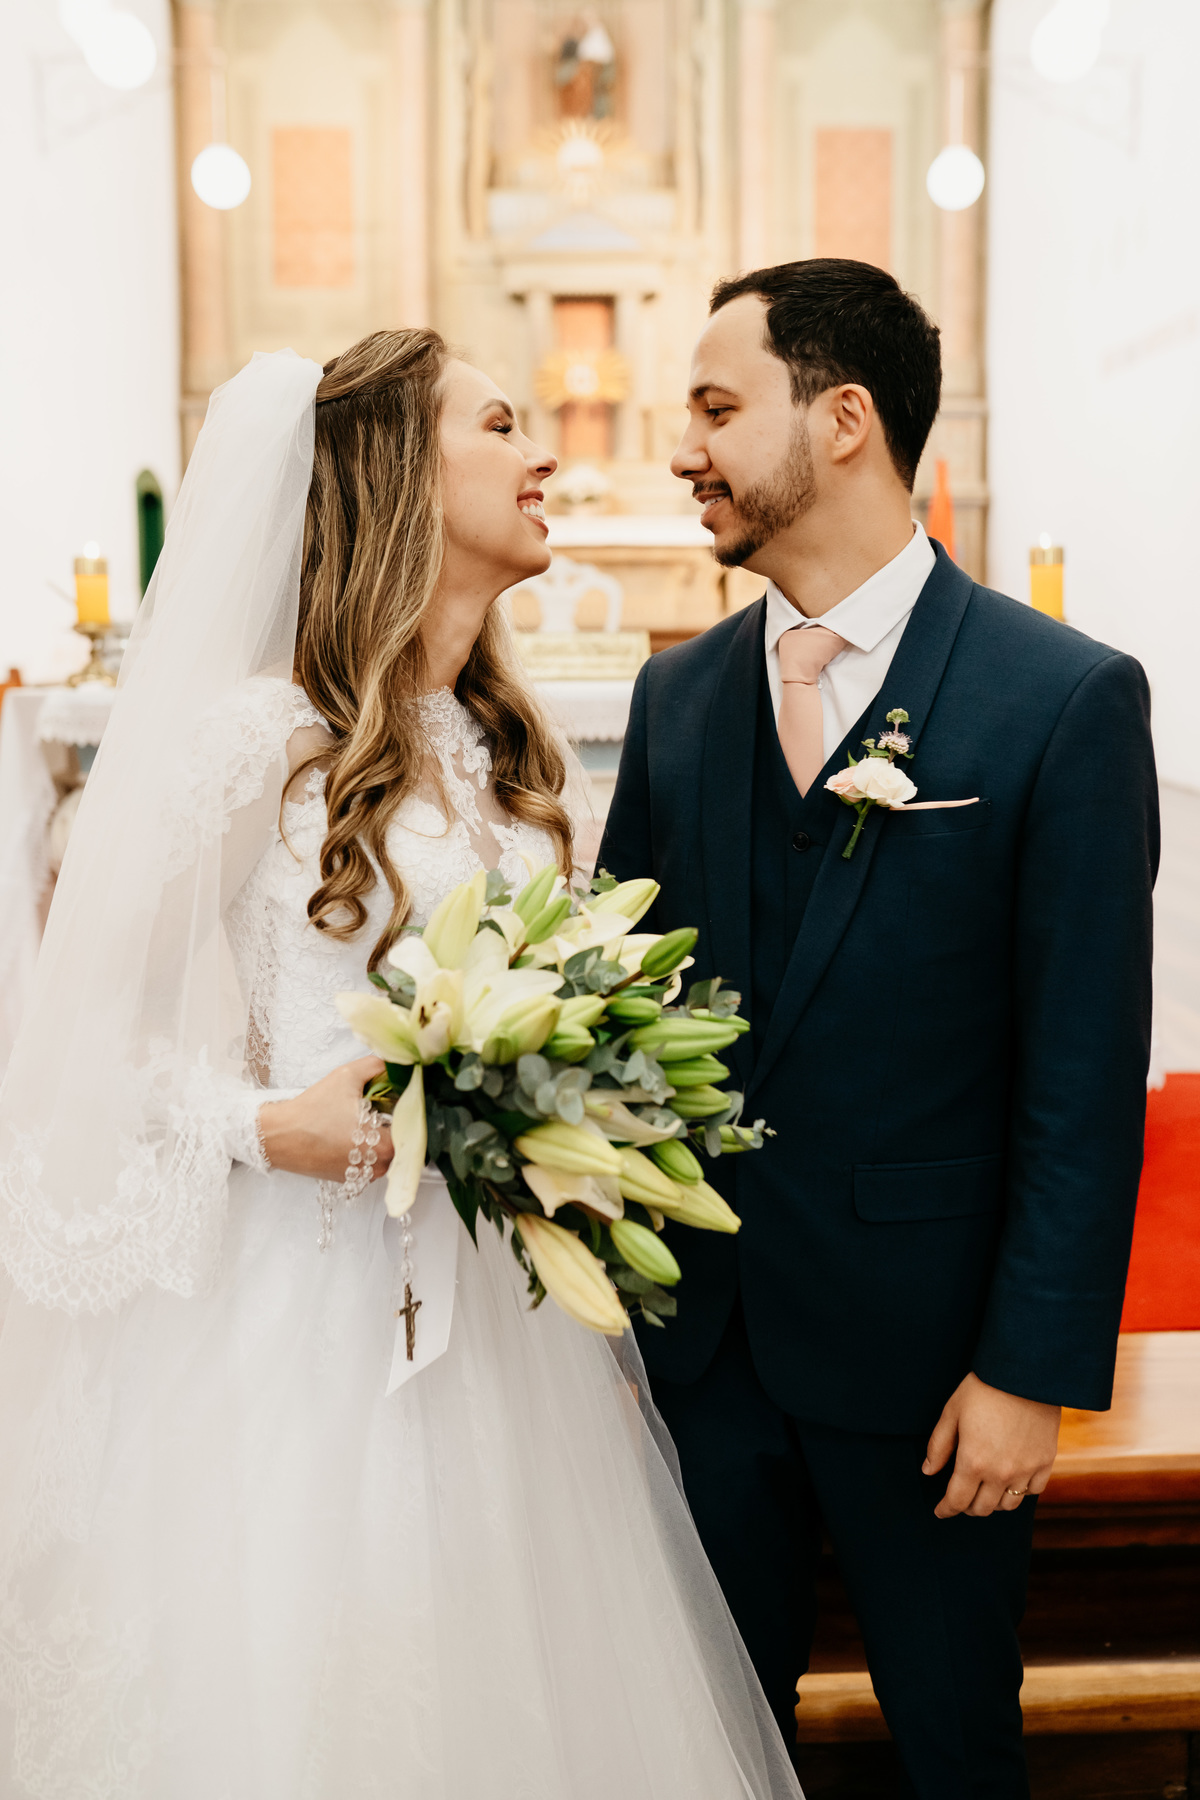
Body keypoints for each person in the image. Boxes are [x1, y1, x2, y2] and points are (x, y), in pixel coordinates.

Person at [0, 331, 802, 1799]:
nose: (544, 453)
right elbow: (82, 1035)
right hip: (297, 1312)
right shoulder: (264, 735)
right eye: (500, 426)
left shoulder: (505, 744)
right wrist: (259, 1124)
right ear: (398, 476)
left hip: (499, 1321)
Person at [597, 258, 1158, 1798]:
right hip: (707, 1359)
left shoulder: (1061, 701)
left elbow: (1082, 1079)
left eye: (717, 410)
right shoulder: (677, 698)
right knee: (714, 1759)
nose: (685, 451)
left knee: (958, 1756)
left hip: (937, 1376)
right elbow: (624, 1020)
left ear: (842, 419)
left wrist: (1030, 1372)